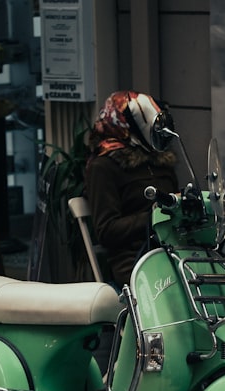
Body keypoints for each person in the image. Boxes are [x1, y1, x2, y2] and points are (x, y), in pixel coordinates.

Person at [83, 90, 179, 288]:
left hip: (175, 252)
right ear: (126, 126)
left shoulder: (160, 161)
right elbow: (107, 230)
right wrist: (153, 216)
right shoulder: (103, 167)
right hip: (137, 261)